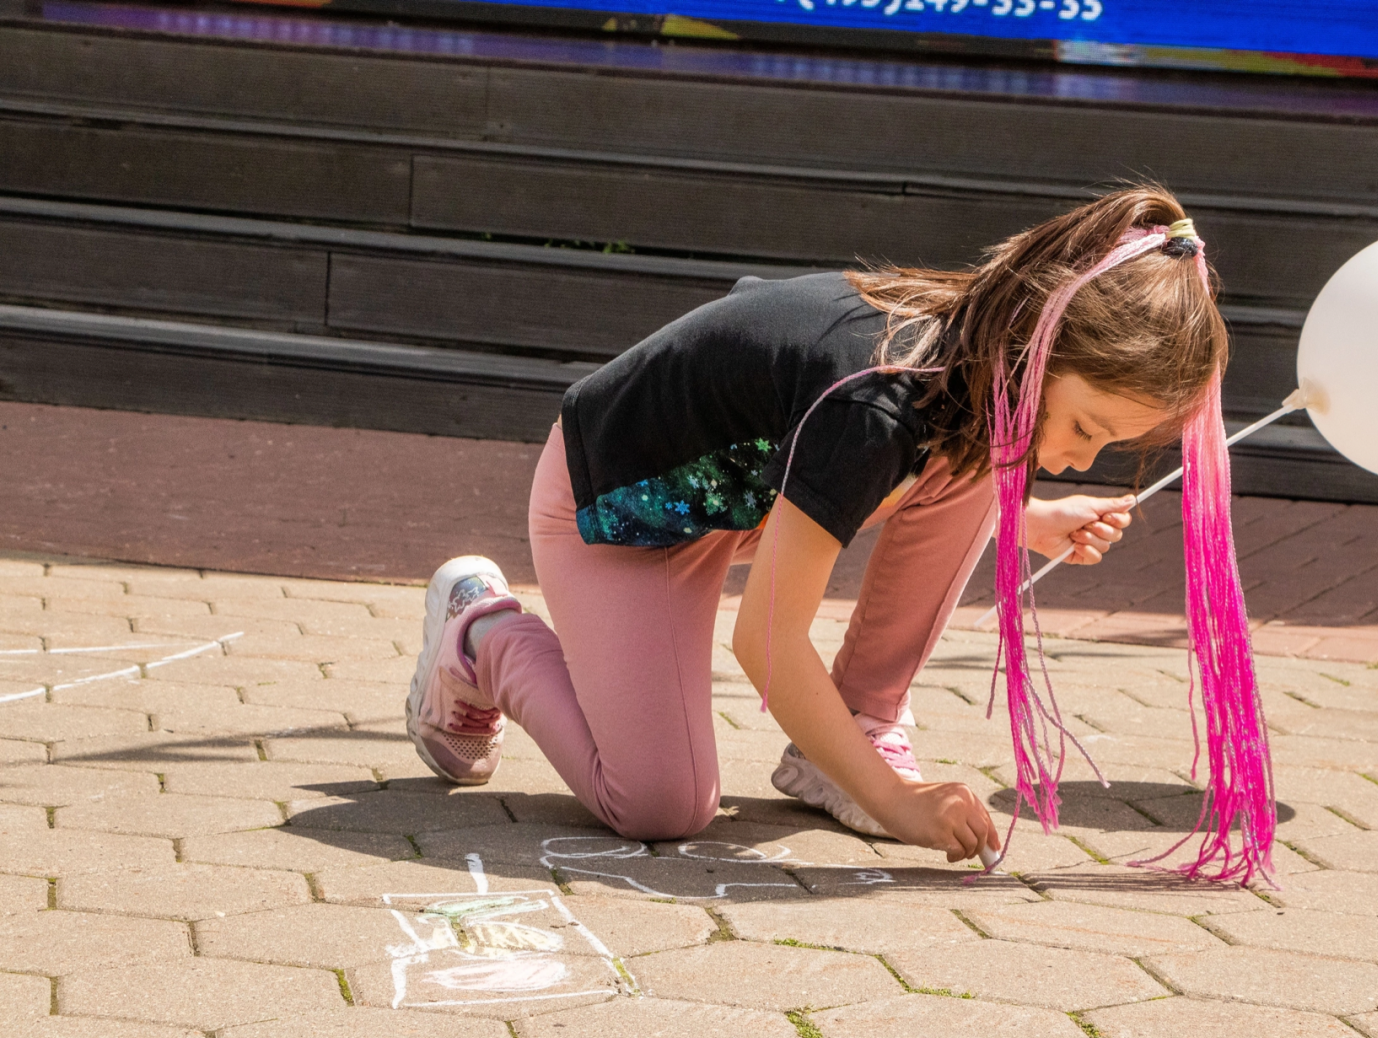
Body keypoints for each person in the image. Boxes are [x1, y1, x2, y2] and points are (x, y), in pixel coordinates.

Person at [404, 183, 1229, 865]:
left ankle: (851, 733)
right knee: (658, 806)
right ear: (1038, 341)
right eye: (1084, 429)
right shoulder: (874, 396)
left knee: (983, 463)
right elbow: (764, 639)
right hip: (624, 516)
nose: (1079, 459)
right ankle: (482, 637)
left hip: (744, 495)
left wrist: (1031, 518)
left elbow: (897, 466)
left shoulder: (971, 357)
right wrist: (895, 803)